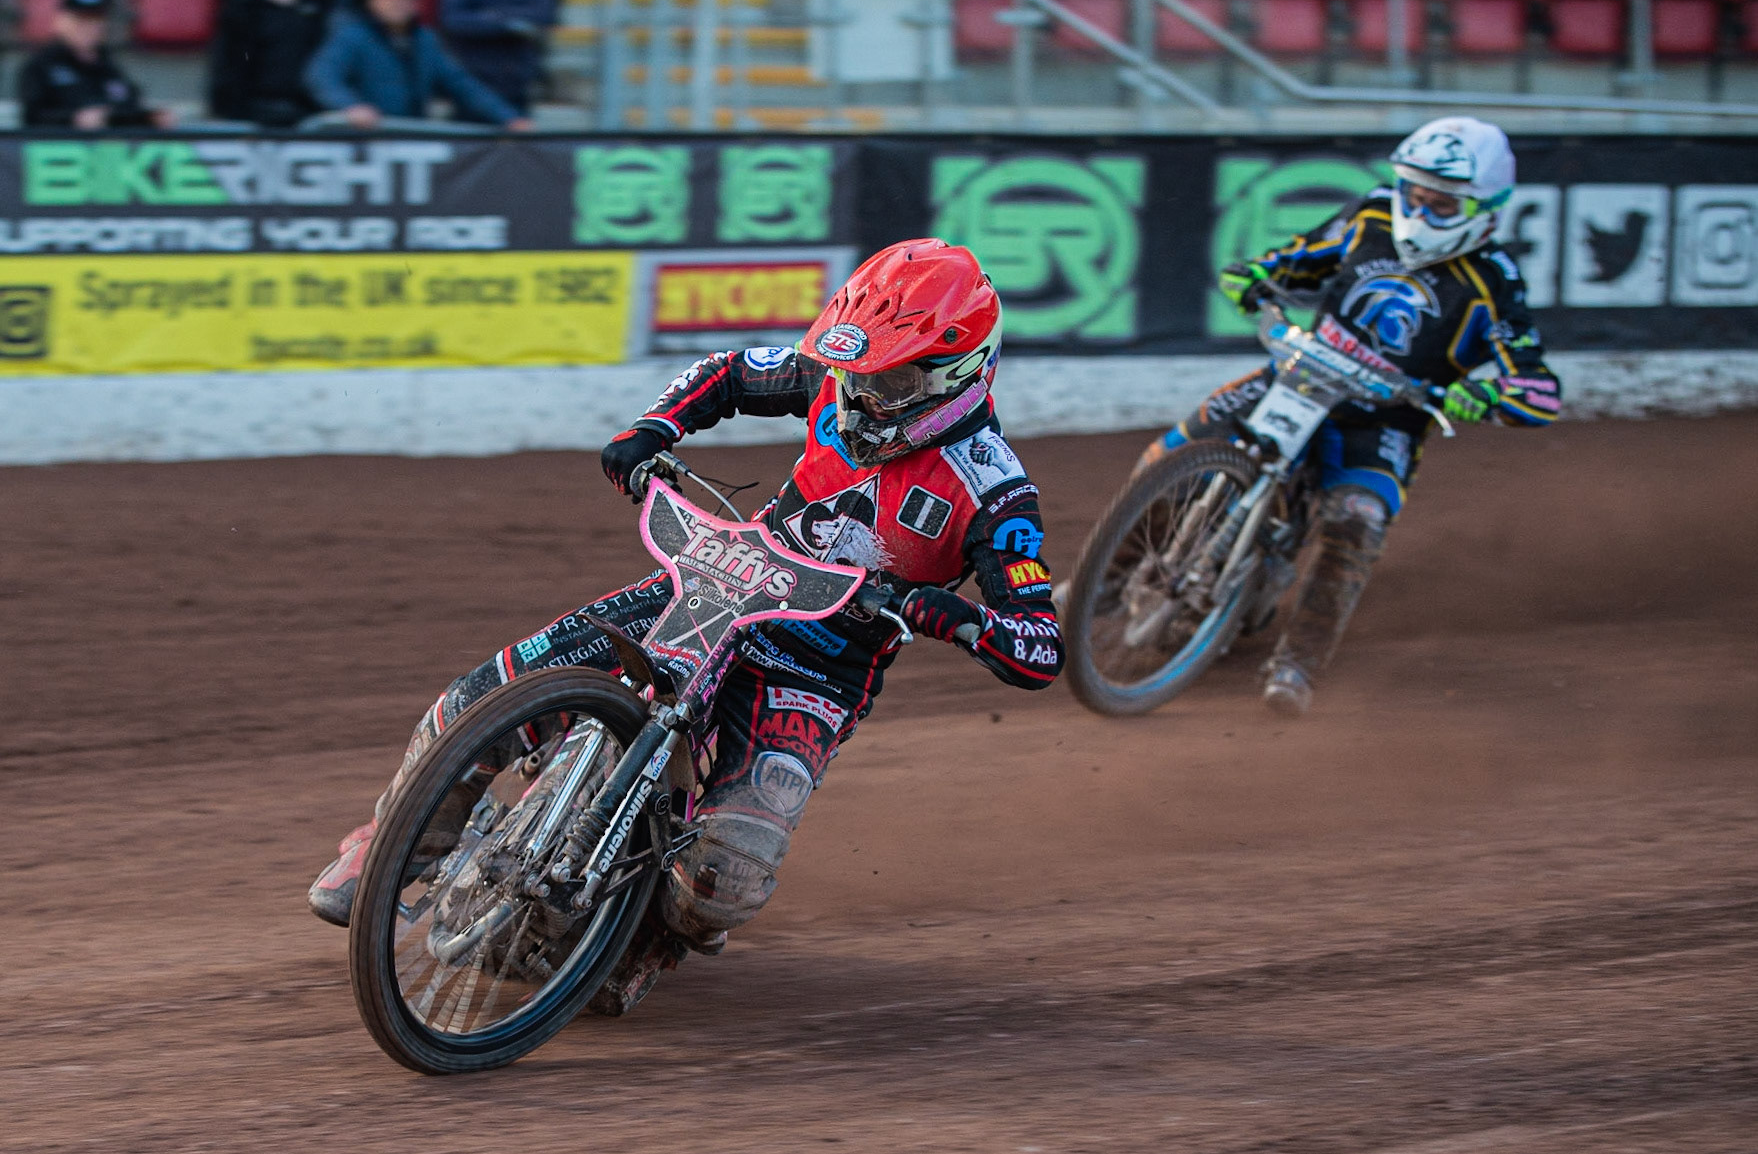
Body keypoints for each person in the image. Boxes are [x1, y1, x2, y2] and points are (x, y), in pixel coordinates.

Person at [308, 239, 1064, 1012]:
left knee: (726, 875)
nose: (862, 394)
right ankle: (395, 843)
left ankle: (647, 936)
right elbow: (730, 372)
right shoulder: (834, 381)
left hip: (817, 665)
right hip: (720, 577)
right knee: (482, 696)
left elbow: (1038, 647)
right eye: (856, 371)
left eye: (890, 379)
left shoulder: (995, 492)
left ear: (959, 374)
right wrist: (653, 427)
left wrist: (950, 614)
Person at [1140, 116, 1562, 718]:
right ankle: (1104, 582)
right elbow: (1295, 260)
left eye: (1442, 204)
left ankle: (1298, 664)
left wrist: (1491, 397)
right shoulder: (1372, 215)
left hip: (1384, 421)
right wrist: (1256, 277)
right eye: (1413, 192)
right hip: (1298, 376)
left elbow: (1539, 387)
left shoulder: (1495, 282)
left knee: (1357, 522)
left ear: (1485, 210)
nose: (1420, 211)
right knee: (1169, 457)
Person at [302, 0, 534, 130]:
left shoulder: (425, 40)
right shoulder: (352, 36)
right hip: (366, 140)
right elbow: (322, 76)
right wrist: (351, 106)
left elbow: (462, 84)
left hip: (409, 137)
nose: (398, 3)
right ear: (372, 0)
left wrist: (509, 118)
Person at [17, 0, 173, 129]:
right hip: (62, 148)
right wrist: (74, 119)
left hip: (111, 148)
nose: (88, 27)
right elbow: (31, 117)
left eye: (95, 19)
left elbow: (127, 109)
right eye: (80, 19)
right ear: (61, 21)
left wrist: (148, 119)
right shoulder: (40, 67)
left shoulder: (109, 68)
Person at [207, 0, 337, 128]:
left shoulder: (329, 1)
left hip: (317, 112)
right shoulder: (241, 6)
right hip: (251, 114)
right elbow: (228, 69)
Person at [439, 0, 558, 117]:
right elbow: (454, 20)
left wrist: (494, 16)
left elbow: (543, 15)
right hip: (473, 80)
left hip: (518, 81)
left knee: (517, 123)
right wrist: (507, 23)